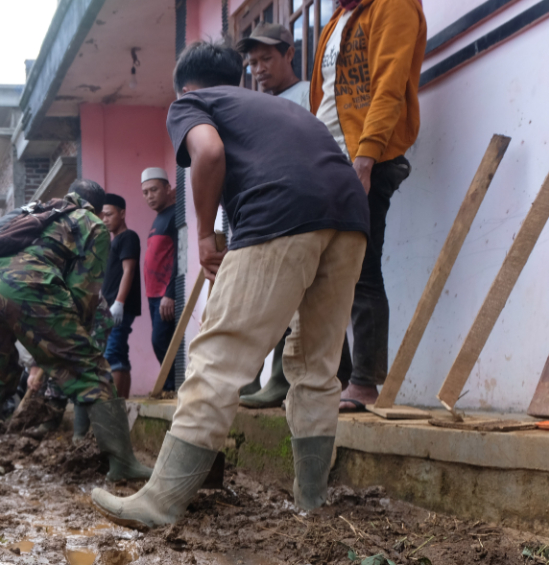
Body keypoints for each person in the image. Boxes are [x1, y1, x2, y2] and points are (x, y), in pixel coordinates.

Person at [92, 41, 369, 528]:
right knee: (317, 366)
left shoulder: (191, 104)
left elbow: (209, 152)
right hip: (348, 217)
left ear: (185, 87)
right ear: (238, 78)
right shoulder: (278, 107)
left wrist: (202, 233)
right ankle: (311, 502)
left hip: (277, 213)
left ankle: (159, 503)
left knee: (218, 358)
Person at [0, 179, 151, 482]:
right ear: (95, 205)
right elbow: (82, 292)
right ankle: (123, 465)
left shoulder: (38, 212)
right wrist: (73, 344)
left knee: (0, 372)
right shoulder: (90, 223)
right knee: (91, 369)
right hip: (29, 282)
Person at [312, 0, 426, 412]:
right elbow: (324, 95)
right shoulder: (337, 19)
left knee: (361, 267)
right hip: (328, 157)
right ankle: (339, 379)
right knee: (323, 273)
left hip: (365, 159)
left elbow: (390, 84)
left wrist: (366, 157)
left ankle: (363, 382)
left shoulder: (394, 6)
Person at [236, 22, 313, 409]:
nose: (259, 68)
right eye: (252, 63)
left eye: (267, 58)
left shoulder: (308, 96)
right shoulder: (255, 105)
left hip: (300, 210)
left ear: (289, 53)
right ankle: (250, 379)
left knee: (293, 299)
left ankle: (280, 379)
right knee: (258, 300)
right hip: (266, 213)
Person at [140, 168, 179, 392]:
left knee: (161, 341)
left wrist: (170, 293)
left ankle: (172, 386)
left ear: (167, 189)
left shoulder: (175, 215)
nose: (149, 196)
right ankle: (169, 386)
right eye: (145, 192)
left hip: (166, 294)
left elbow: (179, 256)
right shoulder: (158, 219)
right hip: (153, 294)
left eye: (154, 190)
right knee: (159, 342)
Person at [99, 193, 141, 399]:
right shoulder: (113, 242)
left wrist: (119, 302)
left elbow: (129, 270)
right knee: (119, 354)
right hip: (111, 306)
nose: (105, 219)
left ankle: (114, 405)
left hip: (119, 307)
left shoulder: (128, 237)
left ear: (122, 213)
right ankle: (121, 402)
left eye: (109, 214)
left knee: (112, 354)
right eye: (102, 215)